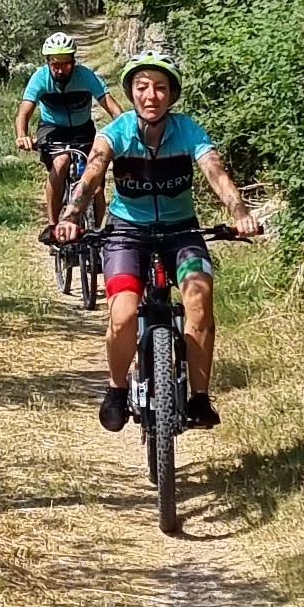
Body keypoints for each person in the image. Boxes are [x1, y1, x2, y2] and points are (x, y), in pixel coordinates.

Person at [65, 39, 249, 431]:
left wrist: (240, 213)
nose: (151, 95)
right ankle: (116, 389)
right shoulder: (116, 132)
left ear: (172, 95)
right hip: (126, 232)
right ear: (131, 92)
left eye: (161, 88)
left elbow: (215, 171)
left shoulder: (187, 130)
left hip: (181, 231)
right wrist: (71, 215)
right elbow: (92, 173)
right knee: (123, 313)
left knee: (199, 299)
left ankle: (199, 397)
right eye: (142, 87)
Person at [16, 30, 109, 231]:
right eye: (55, 64)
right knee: (61, 162)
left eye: (66, 64)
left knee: (97, 184)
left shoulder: (85, 76)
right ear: (48, 62)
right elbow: (24, 111)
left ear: (74, 62)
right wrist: (22, 135)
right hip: (52, 130)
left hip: (83, 130)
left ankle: (98, 232)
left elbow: (111, 105)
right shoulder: (40, 78)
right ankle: (52, 225)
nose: (60, 70)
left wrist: (129, 131)